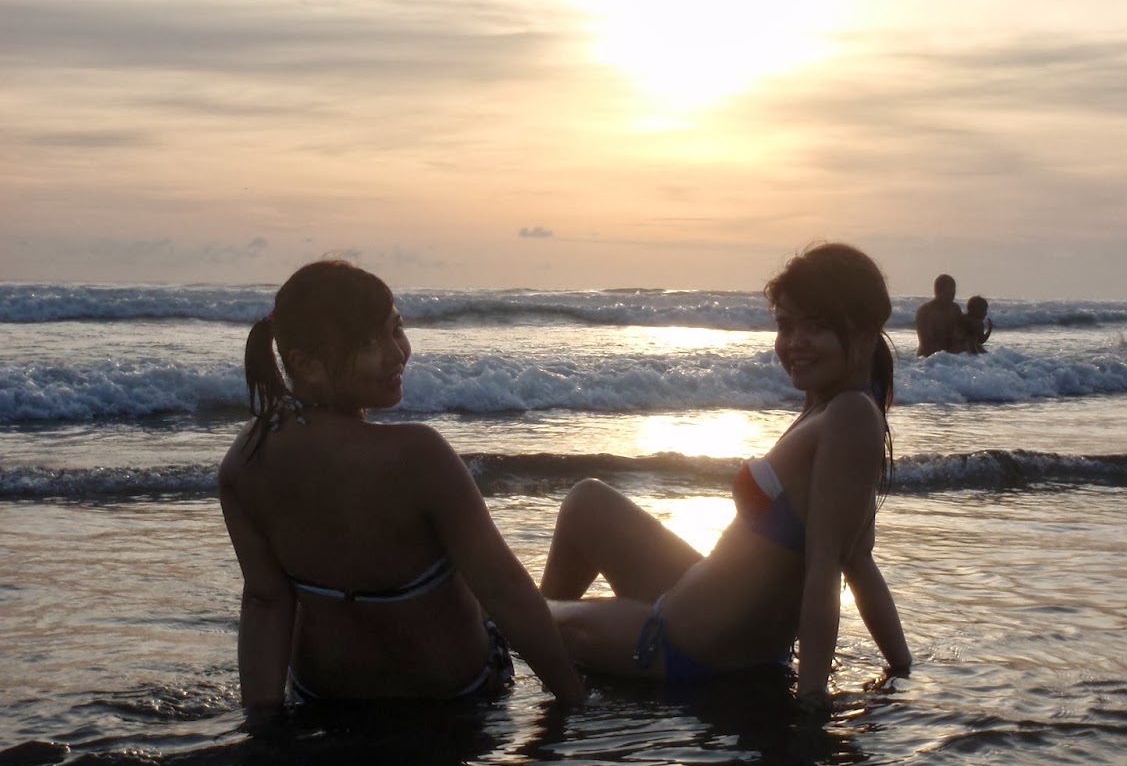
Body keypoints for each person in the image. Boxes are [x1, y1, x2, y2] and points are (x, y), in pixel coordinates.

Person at [539, 242, 911, 701]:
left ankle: (526, 654)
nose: (794, 343)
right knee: (586, 502)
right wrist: (901, 665)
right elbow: (861, 559)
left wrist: (811, 701)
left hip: (681, 643)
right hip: (696, 605)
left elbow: (827, 568)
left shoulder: (850, 415)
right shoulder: (828, 404)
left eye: (815, 327)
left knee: (522, 615)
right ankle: (531, 655)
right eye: (786, 326)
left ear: (864, 331)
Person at [219, 259, 585, 713]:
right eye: (369, 342)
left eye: (396, 329)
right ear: (307, 365)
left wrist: (263, 723)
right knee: (489, 595)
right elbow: (504, 588)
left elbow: (265, 602)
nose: (397, 353)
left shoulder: (245, 461)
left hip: (326, 700)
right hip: (454, 695)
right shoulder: (418, 455)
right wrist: (572, 699)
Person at [915, 274, 963, 356]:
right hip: (929, 357)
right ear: (937, 292)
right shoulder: (926, 311)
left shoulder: (955, 309)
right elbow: (926, 341)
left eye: (953, 294)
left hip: (950, 355)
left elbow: (961, 332)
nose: (951, 297)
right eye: (947, 293)